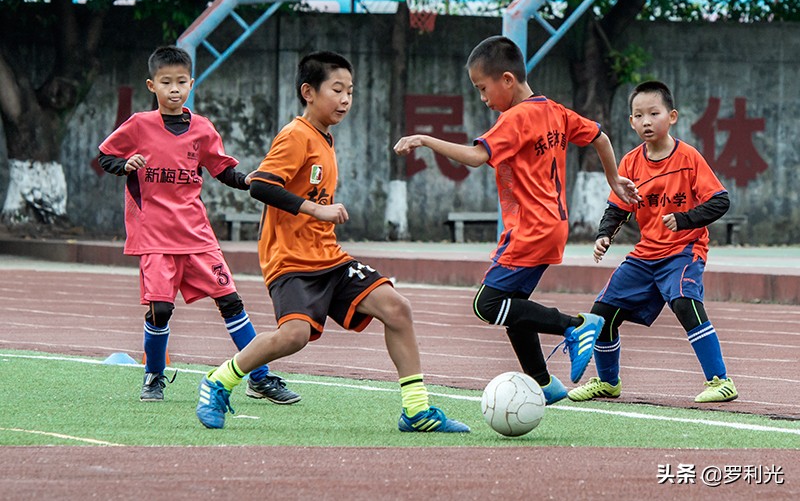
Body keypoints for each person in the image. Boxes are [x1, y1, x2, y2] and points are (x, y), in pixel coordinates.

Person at [195, 50, 469, 433]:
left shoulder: (324, 138)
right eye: (337, 90)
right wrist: (315, 210)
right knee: (294, 336)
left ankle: (416, 410)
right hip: (290, 261)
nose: (345, 99)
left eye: (351, 91)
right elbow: (259, 185)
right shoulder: (296, 135)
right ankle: (218, 382)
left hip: (329, 257)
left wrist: (317, 216)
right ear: (308, 91)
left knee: (396, 308)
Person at [393, 35, 640, 405]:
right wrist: (613, 180)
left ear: (507, 80)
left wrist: (426, 140)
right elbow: (600, 137)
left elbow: (477, 157)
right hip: (552, 226)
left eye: (482, 88)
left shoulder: (516, 118)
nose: (483, 98)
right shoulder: (554, 110)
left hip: (529, 229)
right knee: (515, 308)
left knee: (487, 305)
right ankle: (542, 383)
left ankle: (575, 326)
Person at [97, 45, 299, 405]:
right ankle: (154, 377)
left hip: (197, 236)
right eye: (165, 82)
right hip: (155, 238)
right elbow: (105, 156)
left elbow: (222, 169)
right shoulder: (139, 126)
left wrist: (247, 180)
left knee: (232, 302)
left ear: (191, 83)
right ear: (151, 85)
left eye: (180, 82)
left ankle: (260, 377)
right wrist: (125, 164)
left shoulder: (203, 129)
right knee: (160, 309)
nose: (174, 89)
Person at [568, 80, 738, 404]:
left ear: (671, 116)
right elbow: (617, 207)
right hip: (646, 255)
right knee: (602, 313)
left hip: (684, 250)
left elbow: (720, 201)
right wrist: (604, 235)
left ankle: (720, 380)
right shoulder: (630, 162)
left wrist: (685, 219)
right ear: (631, 122)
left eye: (654, 113)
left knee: (685, 301)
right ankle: (607, 382)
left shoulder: (689, 158)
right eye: (639, 115)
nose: (647, 121)